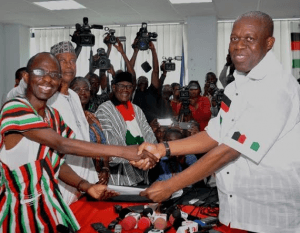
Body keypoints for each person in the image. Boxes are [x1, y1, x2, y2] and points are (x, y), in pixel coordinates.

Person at [137, 11, 300, 233]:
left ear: (269, 43)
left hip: (268, 217)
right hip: (234, 212)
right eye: (234, 38)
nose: (239, 45)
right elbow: (214, 135)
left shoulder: (276, 86)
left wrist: (170, 186)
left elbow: (230, 150)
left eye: (249, 39)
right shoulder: (235, 87)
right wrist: (161, 148)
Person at [0, 52, 154, 232]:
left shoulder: (53, 116)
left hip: (51, 208)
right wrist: (125, 151)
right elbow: (62, 144)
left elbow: (55, 162)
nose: (48, 79)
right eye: (40, 72)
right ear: (26, 76)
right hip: (17, 214)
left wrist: (86, 186)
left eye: (55, 75)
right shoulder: (14, 108)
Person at [96, 71, 157, 186]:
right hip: (119, 178)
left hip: (144, 172)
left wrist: (151, 155)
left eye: (129, 86)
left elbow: (149, 134)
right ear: (114, 87)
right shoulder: (104, 110)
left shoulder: (137, 110)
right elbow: (110, 144)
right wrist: (139, 156)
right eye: (122, 86)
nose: (126, 89)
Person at [70, 76, 110, 185]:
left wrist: (105, 168)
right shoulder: (66, 117)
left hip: (96, 177)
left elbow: (104, 145)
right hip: (73, 177)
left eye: (86, 89)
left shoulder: (92, 117)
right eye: (77, 89)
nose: (82, 92)